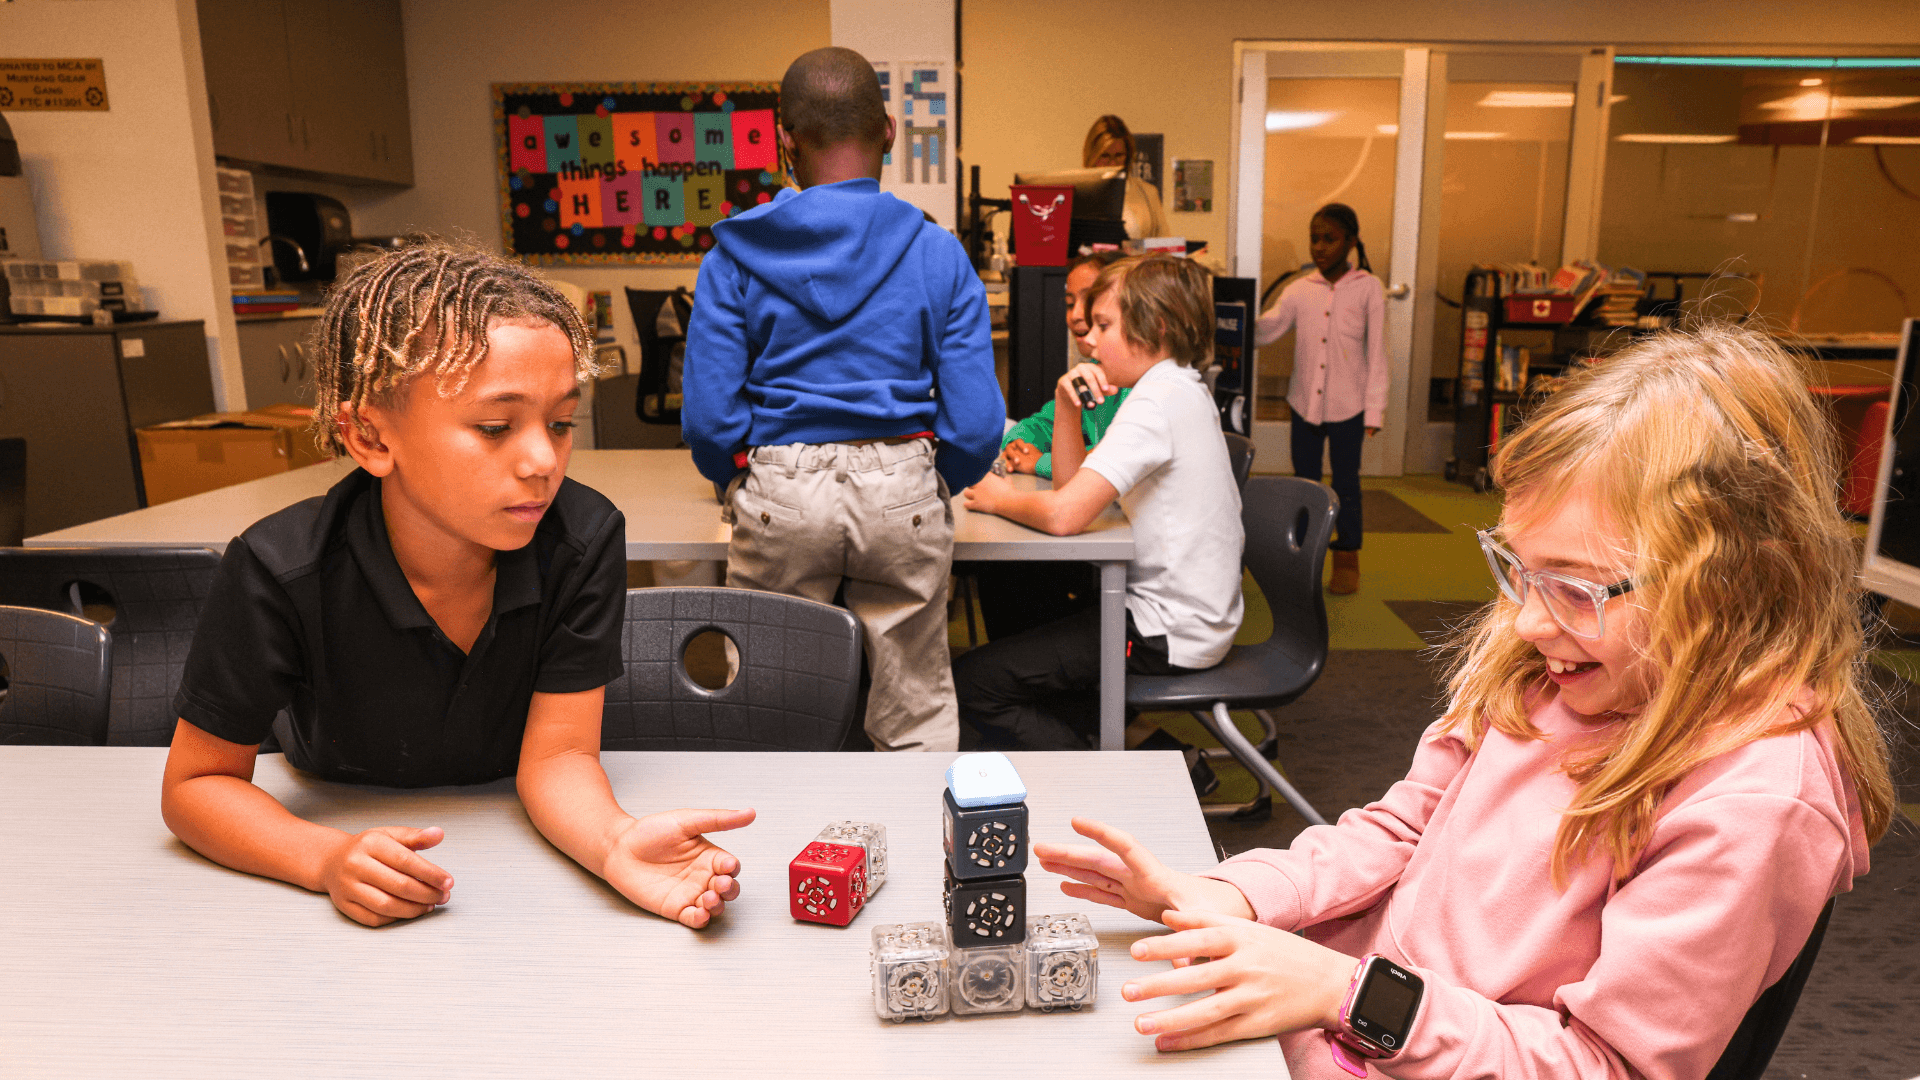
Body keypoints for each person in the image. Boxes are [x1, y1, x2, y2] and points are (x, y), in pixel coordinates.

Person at [1033, 322, 1894, 1079]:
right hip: (1346, 1026)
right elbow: (1403, 829)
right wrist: (1236, 897)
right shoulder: (1555, 667)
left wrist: (1349, 994)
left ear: (1732, 583)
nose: (1524, 618)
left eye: (1577, 587)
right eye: (1519, 568)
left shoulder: (1758, 801)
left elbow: (1606, 1065)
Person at [161, 242, 754, 929]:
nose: (542, 460)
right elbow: (197, 786)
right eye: (495, 427)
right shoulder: (278, 568)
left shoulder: (582, 540)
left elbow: (559, 756)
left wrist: (615, 841)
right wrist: (323, 858)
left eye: (560, 423)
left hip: (511, 853)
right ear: (370, 438)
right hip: (342, 811)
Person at [681, 47, 1003, 753]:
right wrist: (933, 479)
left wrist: (739, 480)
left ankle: (770, 858)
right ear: (889, 130)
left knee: (769, 709)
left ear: (782, 137)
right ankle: (919, 851)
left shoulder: (732, 257)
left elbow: (709, 417)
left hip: (781, 487)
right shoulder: (939, 252)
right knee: (913, 711)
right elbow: (977, 423)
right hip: (902, 486)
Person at [956, 254, 1244, 751]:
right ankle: (1153, 753)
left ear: (1153, 327)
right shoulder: (1170, 387)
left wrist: (1000, 499)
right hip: (1188, 615)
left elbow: (1065, 515)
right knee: (1020, 653)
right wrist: (1067, 406)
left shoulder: (1156, 403)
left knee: (973, 685)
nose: (1091, 338)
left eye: (1106, 325)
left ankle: (1107, 778)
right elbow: (1070, 486)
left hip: (1165, 630)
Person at [1255, 202, 1386, 595]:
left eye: (1329, 238)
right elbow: (1267, 330)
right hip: (1303, 405)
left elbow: (1378, 352)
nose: (1320, 247)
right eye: (1314, 238)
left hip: (1350, 406)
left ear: (1350, 241)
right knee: (1304, 483)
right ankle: (1302, 557)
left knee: (1346, 483)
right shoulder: (1299, 289)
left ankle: (1346, 558)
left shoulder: (1369, 288)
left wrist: (1374, 408)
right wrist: (1234, 319)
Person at [1084, 115, 1169, 241]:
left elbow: (1165, 243)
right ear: (1092, 156)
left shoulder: (1147, 192)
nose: (1112, 164)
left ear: (1128, 156)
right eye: (1105, 156)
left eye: (1119, 155)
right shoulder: (1078, 193)